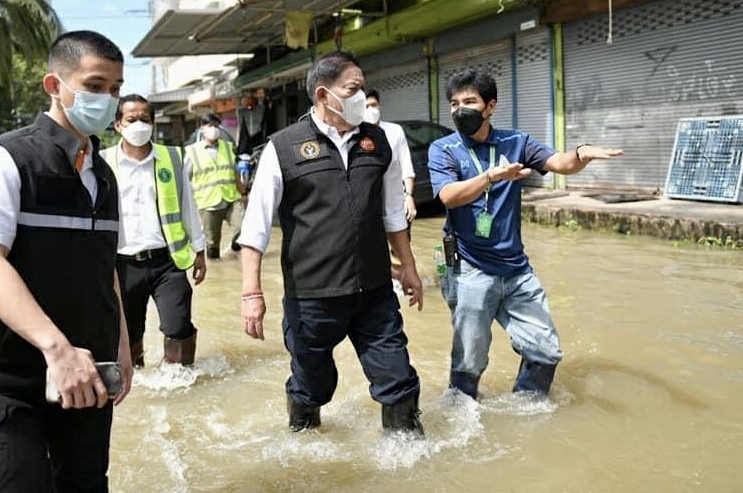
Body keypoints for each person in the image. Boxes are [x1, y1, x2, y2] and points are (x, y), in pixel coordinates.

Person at [0, 30, 132, 491]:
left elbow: (105, 270)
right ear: (54, 86)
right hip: (2, 380)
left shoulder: (102, 175)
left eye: (116, 89)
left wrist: (121, 347)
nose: (108, 100)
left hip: (84, 375)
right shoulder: (4, 160)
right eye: (96, 86)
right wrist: (57, 349)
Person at [238, 51, 425, 437]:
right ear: (324, 94)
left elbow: (393, 213)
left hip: (373, 291)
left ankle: (411, 460)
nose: (362, 97)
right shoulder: (283, 146)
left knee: (398, 380)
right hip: (312, 297)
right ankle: (306, 448)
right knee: (313, 387)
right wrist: (251, 293)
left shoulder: (380, 141)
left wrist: (408, 267)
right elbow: (255, 226)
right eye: (353, 89)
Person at [427, 68, 623, 400]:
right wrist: (491, 176)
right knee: (469, 361)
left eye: (470, 101)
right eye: (455, 103)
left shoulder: (516, 142)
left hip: (516, 269)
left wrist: (580, 155)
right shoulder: (443, 149)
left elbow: (559, 163)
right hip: (469, 267)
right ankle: (462, 417)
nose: (461, 110)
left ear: (490, 106)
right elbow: (448, 196)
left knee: (545, 352)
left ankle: (525, 413)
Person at [101, 94, 206, 368]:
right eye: (131, 119)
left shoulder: (172, 157)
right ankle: (137, 380)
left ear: (153, 122)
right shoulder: (103, 163)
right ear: (118, 125)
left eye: (144, 119)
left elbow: (188, 206)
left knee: (178, 324)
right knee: (129, 330)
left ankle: (180, 383)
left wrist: (200, 249)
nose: (139, 125)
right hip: (122, 266)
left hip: (167, 262)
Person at [185, 113, 246, 260]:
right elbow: (185, 180)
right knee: (212, 244)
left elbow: (234, 172)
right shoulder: (192, 151)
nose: (213, 129)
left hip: (231, 198)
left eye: (216, 126)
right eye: (210, 125)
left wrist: (243, 192)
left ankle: (235, 247)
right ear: (202, 128)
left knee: (243, 228)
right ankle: (215, 266)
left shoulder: (228, 147)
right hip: (208, 203)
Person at [364, 89, 416, 223]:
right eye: (366, 106)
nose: (371, 109)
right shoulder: (356, 135)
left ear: (379, 105)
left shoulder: (394, 131)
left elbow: (406, 165)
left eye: (374, 105)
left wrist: (409, 196)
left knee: (401, 242)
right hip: (369, 209)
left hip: (396, 205)